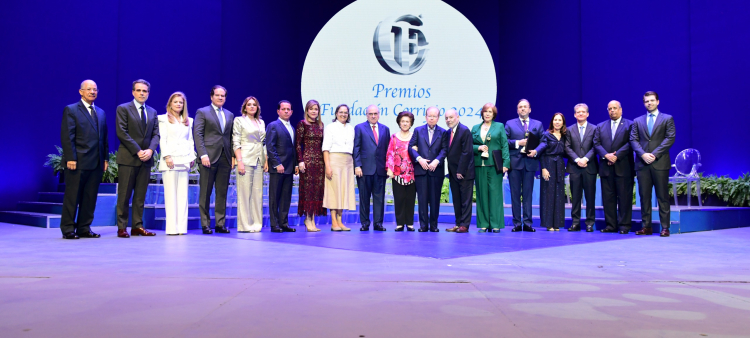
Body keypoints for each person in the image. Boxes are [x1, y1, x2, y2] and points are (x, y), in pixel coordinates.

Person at [59, 80, 108, 239]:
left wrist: (105, 158)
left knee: (90, 198)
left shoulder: (100, 112)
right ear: (81, 92)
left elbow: (104, 138)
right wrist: (71, 158)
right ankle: (68, 229)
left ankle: (84, 228)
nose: (92, 92)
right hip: (77, 162)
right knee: (72, 197)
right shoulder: (72, 110)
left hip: (96, 162)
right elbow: (68, 136)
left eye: (95, 89)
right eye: (89, 89)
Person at [115, 79, 160, 238]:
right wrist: (138, 150)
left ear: (148, 93)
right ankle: (122, 227)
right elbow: (122, 132)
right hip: (129, 158)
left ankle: (137, 226)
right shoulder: (123, 108)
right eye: (139, 90)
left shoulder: (153, 112)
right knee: (124, 195)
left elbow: (156, 134)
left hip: (146, 159)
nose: (142, 93)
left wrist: (150, 150)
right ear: (133, 92)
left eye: (145, 91)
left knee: (140, 196)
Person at [630, 91, 676, 237]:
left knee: (662, 196)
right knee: (644, 196)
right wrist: (643, 154)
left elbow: (670, 138)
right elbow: (633, 140)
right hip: (643, 164)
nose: (649, 103)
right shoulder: (637, 121)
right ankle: (646, 226)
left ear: (658, 102)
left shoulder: (667, 119)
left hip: (660, 163)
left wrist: (654, 154)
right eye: (646, 101)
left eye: (651, 100)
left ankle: (665, 227)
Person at [194, 85, 234, 234]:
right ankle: (205, 224)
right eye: (217, 95)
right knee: (205, 192)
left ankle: (220, 223)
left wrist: (233, 157)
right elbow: (198, 134)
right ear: (212, 97)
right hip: (208, 158)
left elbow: (230, 137)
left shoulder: (229, 115)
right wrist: (203, 154)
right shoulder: (202, 112)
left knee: (222, 192)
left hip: (225, 158)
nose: (220, 98)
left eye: (223, 96)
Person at [593, 100, 635, 234]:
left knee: (624, 198)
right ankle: (611, 225)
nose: (612, 111)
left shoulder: (630, 125)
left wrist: (617, 156)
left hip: (623, 167)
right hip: (606, 168)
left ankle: (624, 226)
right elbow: (596, 143)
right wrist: (606, 155)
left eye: (615, 108)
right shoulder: (601, 126)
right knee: (608, 198)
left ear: (621, 110)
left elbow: (631, 142)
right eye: (610, 109)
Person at [158, 92, 195, 235]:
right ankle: (172, 228)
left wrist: (192, 157)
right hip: (171, 160)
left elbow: (190, 140)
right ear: (170, 104)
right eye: (176, 102)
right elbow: (163, 139)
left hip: (184, 160)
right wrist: (167, 156)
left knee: (183, 196)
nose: (178, 104)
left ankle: (182, 228)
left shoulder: (188, 121)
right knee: (171, 195)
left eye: (181, 102)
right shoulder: (163, 119)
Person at [505, 99, 544, 232]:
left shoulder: (537, 124)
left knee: (528, 194)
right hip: (514, 163)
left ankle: (527, 223)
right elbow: (505, 141)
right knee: (515, 194)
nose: (522, 109)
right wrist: (518, 143)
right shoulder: (510, 124)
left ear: (530, 109)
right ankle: (516, 223)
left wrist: (536, 151)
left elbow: (543, 142)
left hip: (530, 163)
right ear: (517, 110)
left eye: (525, 107)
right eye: (520, 107)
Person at [471, 103, 510, 233]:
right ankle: (483, 223)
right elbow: (469, 146)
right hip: (479, 165)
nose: (487, 114)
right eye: (485, 111)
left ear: (493, 114)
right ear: (482, 113)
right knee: (481, 195)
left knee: (495, 195)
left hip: (494, 165)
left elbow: (504, 145)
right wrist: (479, 148)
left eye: (490, 111)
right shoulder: (475, 128)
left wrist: (506, 164)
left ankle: (495, 224)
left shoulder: (499, 126)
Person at [409, 107, 448, 232]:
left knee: (435, 199)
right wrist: (419, 159)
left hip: (436, 170)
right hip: (421, 170)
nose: (431, 118)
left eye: (434, 116)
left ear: (438, 118)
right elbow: (410, 147)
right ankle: (423, 225)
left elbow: (445, 149)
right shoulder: (418, 130)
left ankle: (434, 225)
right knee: (422, 199)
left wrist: (437, 160)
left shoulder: (443, 132)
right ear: (425, 117)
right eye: (429, 116)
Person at [353, 105, 390, 231]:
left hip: (380, 170)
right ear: (366, 115)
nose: (373, 116)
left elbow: (387, 150)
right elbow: (356, 148)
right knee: (364, 198)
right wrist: (357, 165)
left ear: (379, 114)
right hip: (364, 169)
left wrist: (388, 167)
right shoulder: (359, 127)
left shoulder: (385, 129)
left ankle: (378, 223)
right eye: (370, 114)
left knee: (379, 198)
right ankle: (365, 223)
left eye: (375, 113)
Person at [233, 96, 267, 233]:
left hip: (259, 159)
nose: (252, 106)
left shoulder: (261, 122)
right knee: (244, 193)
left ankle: (257, 224)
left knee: (257, 193)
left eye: (254, 104)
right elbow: (236, 141)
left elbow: (263, 143)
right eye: (249, 104)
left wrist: (266, 160)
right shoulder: (239, 120)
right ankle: (245, 225)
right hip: (245, 159)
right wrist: (239, 161)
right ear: (245, 107)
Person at [564, 103, 598, 232]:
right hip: (574, 167)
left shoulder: (595, 129)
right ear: (574, 114)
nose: (581, 114)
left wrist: (585, 159)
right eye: (578, 112)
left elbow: (596, 146)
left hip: (590, 167)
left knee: (590, 197)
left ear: (588, 114)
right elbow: (567, 147)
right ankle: (575, 223)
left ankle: (590, 223)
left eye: (583, 112)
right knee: (576, 197)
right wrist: (578, 159)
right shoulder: (569, 130)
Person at [322, 104, 356, 231]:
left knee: (343, 191)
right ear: (336, 113)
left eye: (346, 112)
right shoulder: (330, 127)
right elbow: (325, 148)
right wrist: (328, 166)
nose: (343, 114)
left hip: (347, 161)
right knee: (334, 191)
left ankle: (340, 221)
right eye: (341, 112)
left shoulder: (351, 128)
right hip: (334, 160)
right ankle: (334, 222)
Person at [266, 100, 297, 233]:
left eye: (288, 109)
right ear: (278, 111)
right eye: (283, 109)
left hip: (289, 167)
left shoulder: (292, 127)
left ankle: (284, 222)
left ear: (291, 112)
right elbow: (270, 146)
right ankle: (274, 224)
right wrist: (277, 163)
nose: (286, 111)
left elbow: (293, 148)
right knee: (275, 197)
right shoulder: (273, 125)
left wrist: (295, 164)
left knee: (286, 197)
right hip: (278, 168)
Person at [295, 100, 326, 232]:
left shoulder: (321, 125)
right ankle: (307, 219)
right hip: (307, 162)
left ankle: (313, 219)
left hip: (319, 162)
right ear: (307, 110)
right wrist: (300, 161)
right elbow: (297, 144)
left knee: (317, 191)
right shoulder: (302, 124)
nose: (314, 111)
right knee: (308, 191)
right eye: (311, 109)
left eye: (316, 109)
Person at [444, 109, 475, 233]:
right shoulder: (447, 133)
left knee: (465, 200)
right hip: (452, 172)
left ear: (458, 117)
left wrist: (460, 171)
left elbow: (466, 152)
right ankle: (458, 223)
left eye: (451, 117)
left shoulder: (464, 130)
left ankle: (465, 225)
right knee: (456, 199)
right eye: (446, 118)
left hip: (464, 172)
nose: (449, 120)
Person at [386, 111, 417, 231]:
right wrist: (389, 169)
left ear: (411, 123)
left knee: (410, 199)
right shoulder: (394, 137)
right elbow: (390, 154)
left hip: (412, 173)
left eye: (407, 121)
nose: (405, 123)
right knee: (399, 199)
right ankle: (399, 223)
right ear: (399, 122)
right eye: (403, 121)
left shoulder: (415, 136)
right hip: (397, 173)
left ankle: (409, 223)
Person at [539, 113, 567, 231]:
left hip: (559, 165)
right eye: (555, 120)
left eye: (559, 120)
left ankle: (557, 223)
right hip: (548, 164)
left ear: (562, 122)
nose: (557, 122)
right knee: (548, 194)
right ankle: (548, 223)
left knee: (559, 195)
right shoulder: (546, 135)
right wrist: (544, 168)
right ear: (552, 122)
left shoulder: (565, 136)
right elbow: (541, 152)